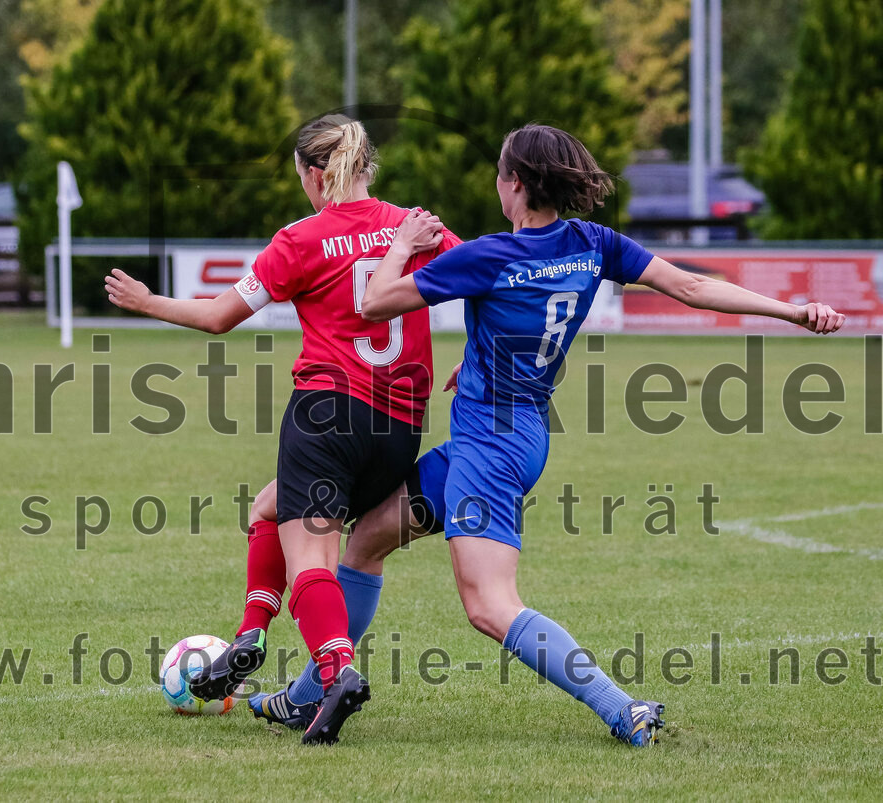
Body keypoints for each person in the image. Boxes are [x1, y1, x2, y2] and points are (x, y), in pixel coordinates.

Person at [253, 123, 845, 747]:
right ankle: (309, 694)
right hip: (522, 429)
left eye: (500, 175)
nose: (497, 185)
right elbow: (695, 287)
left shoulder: (490, 256)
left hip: (490, 450)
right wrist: (793, 310)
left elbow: (375, 303)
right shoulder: (594, 243)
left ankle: (623, 708)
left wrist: (400, 244)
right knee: (367, 539)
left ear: (515, 184)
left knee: (488, 604)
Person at [104, 114, 460, 744]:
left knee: (312, 558)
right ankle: (251, 633)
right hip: (400, 424)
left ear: (314, 173)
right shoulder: (417, 226)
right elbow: (490, 280)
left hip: (325, 416)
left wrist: (147, 302)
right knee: (267, 512)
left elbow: (219, 317)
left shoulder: (301, 239)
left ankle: (336, 672)